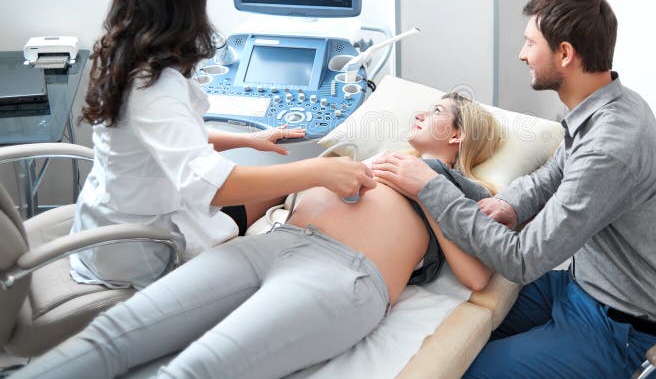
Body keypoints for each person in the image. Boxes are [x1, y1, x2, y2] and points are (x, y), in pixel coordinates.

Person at [14, 93, 503, 379]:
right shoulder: (376, 156)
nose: (420, 113)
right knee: (112, 336)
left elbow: (477, 275)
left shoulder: (462, 187)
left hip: (342, 274)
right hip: (271, 244)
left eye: (436, 111)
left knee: (192, 371)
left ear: (457, 135)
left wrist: (427, 190)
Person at [373, 0, 656, 378]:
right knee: (454, 325)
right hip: (578, 288)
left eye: (530, 43)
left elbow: (522, 259)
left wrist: (431, 189)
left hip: (620, 331)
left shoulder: (609, 147)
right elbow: (553, 172)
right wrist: (510, 204)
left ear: (565, 53)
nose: (522, 54)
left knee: (464, 371)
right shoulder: (606, 107)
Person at [69, 0, 376, 290]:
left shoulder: (127, 58)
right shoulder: (155, 90)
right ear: (185, 6)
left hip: (119, 216)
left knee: (279, 194)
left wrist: (248, 139)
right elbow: (212, 187)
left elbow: (164, 141)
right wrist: (316, 171)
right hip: (137, 247)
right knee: (288, 214)